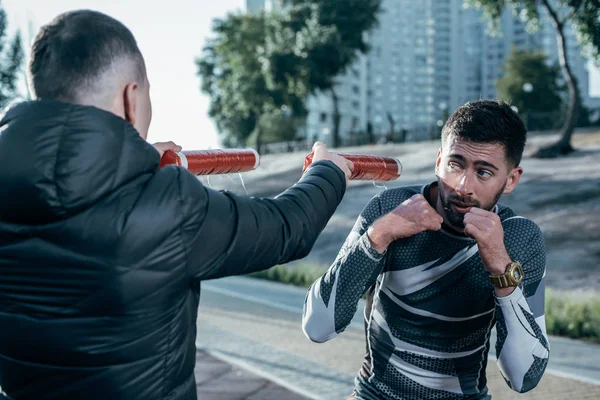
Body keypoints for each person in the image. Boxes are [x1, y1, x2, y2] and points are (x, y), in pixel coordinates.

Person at [0, 9, 353, 400]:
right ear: (131, 98)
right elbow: (287, 228)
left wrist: (127, 163)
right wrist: (327, 171)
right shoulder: (168, 203)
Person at [302, 100, 549, 400]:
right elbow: (317, 326)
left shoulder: (520, 237)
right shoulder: (390, 208)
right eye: (455, 164)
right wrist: (378, 235)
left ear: (510, 180)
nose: (462, 186)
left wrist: (500, 266)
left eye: (483, 173)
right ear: (438, 161)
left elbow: (524, 378)